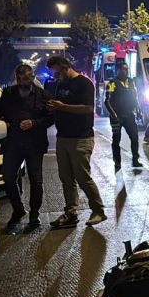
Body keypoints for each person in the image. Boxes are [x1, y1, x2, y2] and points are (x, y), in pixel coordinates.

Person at [45, 56, 106, 228]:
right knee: (66, 178)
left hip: (81, 138)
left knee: (82, 177)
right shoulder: (61, 84)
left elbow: (88, 109)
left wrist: (61, 107)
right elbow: (60, 105)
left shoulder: (85, 84)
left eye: (56, 72)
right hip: (63, 137)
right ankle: (70, 213)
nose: (55, 77)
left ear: (65, 67)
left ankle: (98, 210)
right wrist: (54, 107)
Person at [0, 64, 53, 230]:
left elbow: (51, 117)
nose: (23, 82)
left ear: (32, 77)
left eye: (27, 78)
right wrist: (4, 123)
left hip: (34, 145)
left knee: (36, 181)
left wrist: (34, 123)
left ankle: (34, 215)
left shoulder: (43, 95)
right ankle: (18, 210)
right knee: (8, 178)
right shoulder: (8, 93)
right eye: (20, 79)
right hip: (13, 143)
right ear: (16, 78)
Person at [104, 63, 143, 171]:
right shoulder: (112, 83)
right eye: (123, 69)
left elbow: (135, 97)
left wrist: (138, 109)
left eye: (127, 69)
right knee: (116, 139)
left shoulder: (131, 81)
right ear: (118, 70)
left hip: (129, 115)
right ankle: (117, 162)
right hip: (117, 116)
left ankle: (135, 159)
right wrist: (114, 114)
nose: (125, 71)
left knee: (134, 137)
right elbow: (106, 101)